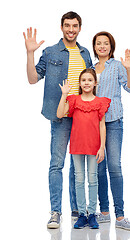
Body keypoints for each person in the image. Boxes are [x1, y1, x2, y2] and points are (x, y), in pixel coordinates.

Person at [23, 11, 92, 229]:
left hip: (83, 116)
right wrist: (30, 54)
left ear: (80, 28)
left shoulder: (85, 53)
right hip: (60, 116)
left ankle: (77, 209)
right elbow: (33, 79)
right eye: (67, 25)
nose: (71, 29)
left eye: (75, 26)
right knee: (57, 164)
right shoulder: (51, 51)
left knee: (77, 165)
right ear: (61, 27)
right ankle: (55, 212)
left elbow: (91, 83)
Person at [91, 31, 130, 231]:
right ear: (94, 47)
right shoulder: (91, 69)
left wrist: (129, 69)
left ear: (111, 46)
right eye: (99, 43)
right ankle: (104, 213)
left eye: (106, 43)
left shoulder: (117, 66)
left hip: (113, 120)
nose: (102, 46)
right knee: (99, 168)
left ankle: (120, 216)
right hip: (94, 123)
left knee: (114, 167)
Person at [57, 68, 111, 229]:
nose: (86, 83)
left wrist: (102, 147)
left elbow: (102, 126)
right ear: (80, 83)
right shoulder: (74, 100)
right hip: (77, 146)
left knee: (92, 180)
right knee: (79, 180)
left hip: (94, 147)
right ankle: (82, 214)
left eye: (89, 80)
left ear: (95, 83)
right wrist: (64, 94)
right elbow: (60, 114)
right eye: (83, 80)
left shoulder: (100, 102)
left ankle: (92, 214)